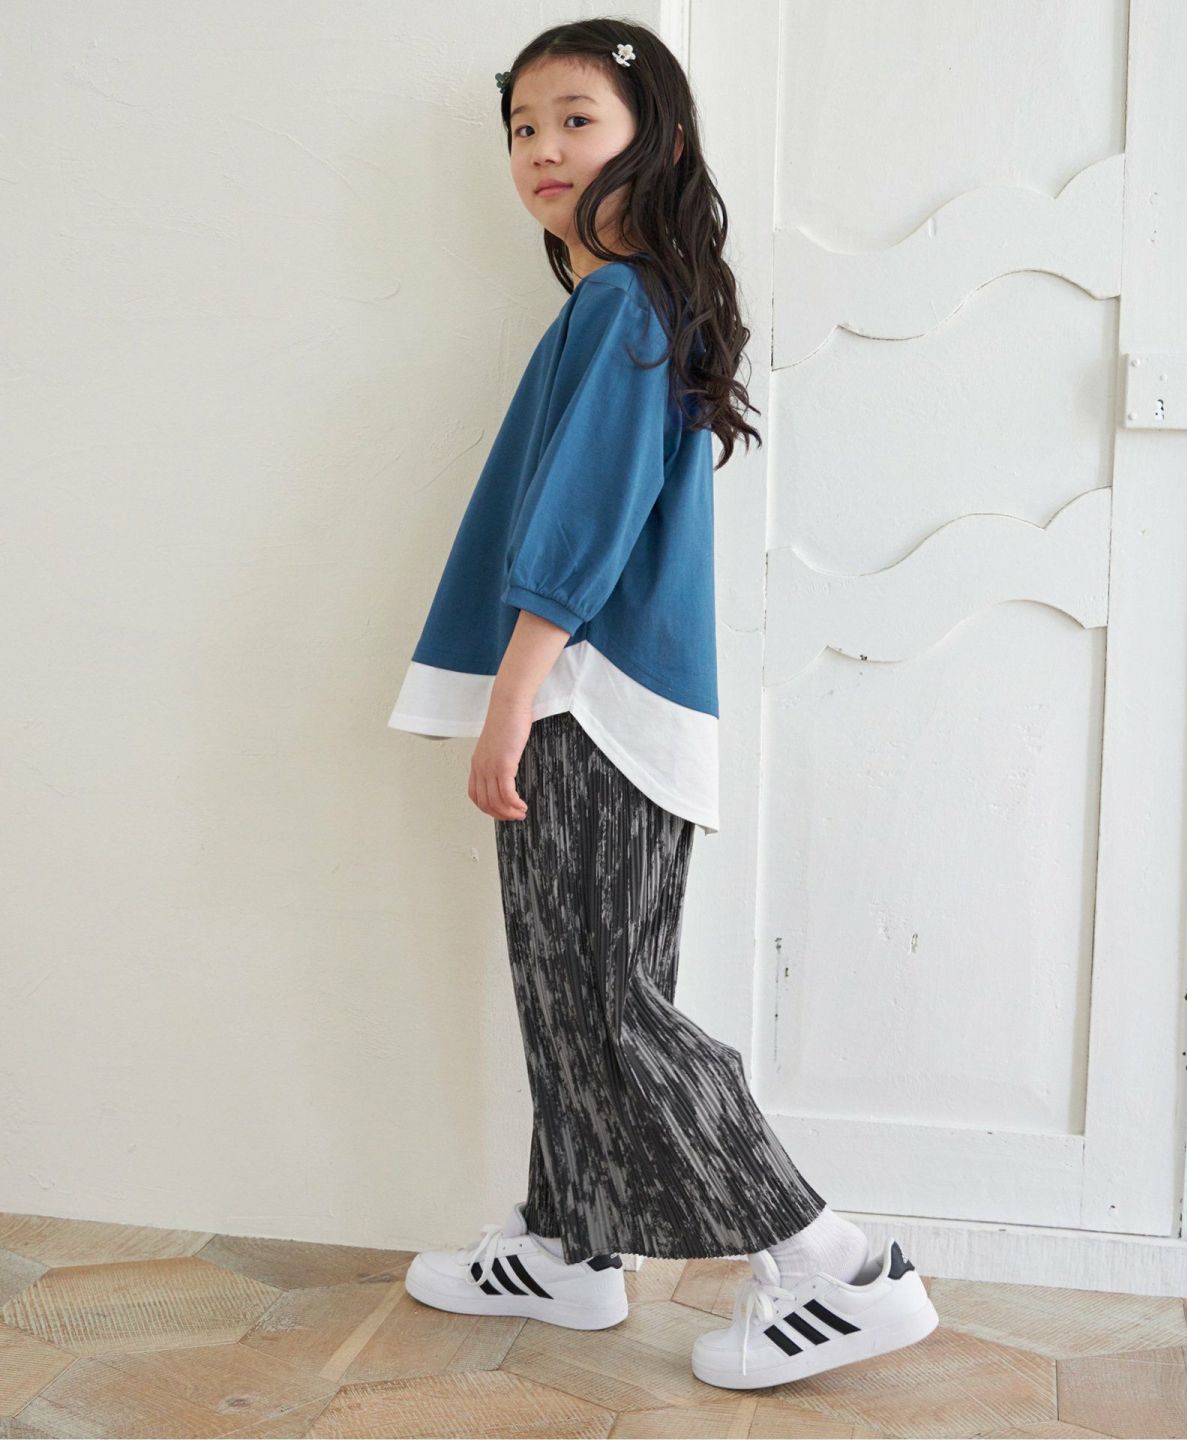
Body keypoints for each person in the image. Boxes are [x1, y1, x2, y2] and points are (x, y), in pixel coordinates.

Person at [388, 17, 938, 1390]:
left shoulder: (624, 305)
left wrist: (512, 700)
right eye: (523, 126)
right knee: (568, 994)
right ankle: (573, 1245)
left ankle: (835, 1264)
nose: (542, 148)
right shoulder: (623, 303)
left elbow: (582, 525)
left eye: (575, 118)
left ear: (661, 137)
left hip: (590, 703)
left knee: (611, 1002)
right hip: (592, 702)